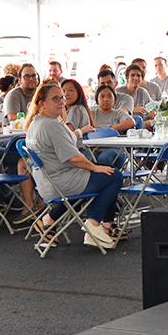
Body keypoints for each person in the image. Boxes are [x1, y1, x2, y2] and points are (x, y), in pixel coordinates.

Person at [26, 83, 123, 250]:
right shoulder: (52, 126)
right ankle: (94, 223)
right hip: (62, 182)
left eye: (61, 98)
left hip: (46, 182)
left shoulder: (35, 123)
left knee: (103, 171)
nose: (61, 102)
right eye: (55, 98)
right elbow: (74, 158)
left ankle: (51, 218)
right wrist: (94, 167)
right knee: (113, 175)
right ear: (42, 103)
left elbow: (67, 140)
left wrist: (79, 133)